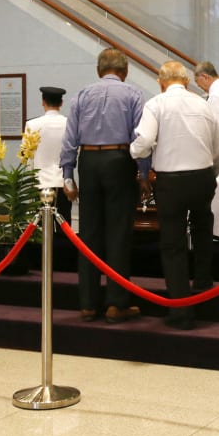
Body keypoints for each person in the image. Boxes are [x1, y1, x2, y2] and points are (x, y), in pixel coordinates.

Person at [130, 61, 219, 330]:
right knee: (203, 229)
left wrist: (134, 153)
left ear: (161, 83)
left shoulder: (156, 104)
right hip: (202, 176)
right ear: (186, 82)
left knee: (172, 243)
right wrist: (212, 173)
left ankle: (181, 310)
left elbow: (145, 141)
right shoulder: (203, 105)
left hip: (171, 180)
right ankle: (204, 283)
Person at [60, 48, 149, 324]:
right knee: (118, 232)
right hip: (119, 159)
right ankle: (116, 303)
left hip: (88, 161)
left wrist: (67, 175)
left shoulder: (82, 95)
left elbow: (69, 137)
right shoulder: (133, 95)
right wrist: (144, 174)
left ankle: (87, 303)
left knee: (89, 233)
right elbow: (140, 138)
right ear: (124, 72)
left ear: (100, 71)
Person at [25, 86, 72, 224]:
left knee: (40, 226)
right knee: (63, 226)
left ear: (43, 102)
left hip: (40, 181)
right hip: (62, 182)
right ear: (61, 103)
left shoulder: (31, 124)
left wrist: (31, 180)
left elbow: (28, 156)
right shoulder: (69, 123)